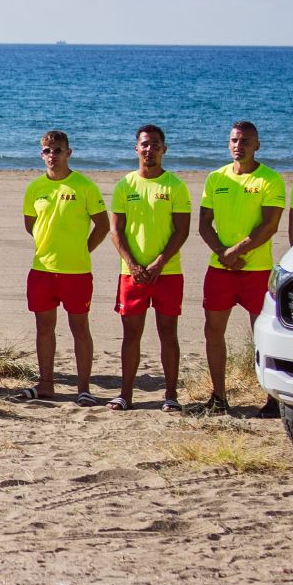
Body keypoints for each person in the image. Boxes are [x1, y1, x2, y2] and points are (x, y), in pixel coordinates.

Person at [197, 121, 284, 416]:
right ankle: (218, 397)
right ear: (228, 143)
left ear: (257, 145)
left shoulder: (270, 179)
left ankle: (272, 398)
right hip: (220, 268)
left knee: (262, 334)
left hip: (256, 269)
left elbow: (270, 226)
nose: (239, 145)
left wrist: (238, 250)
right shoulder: (215, 178)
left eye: (246, 141)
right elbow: (204, 224)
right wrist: (223, 253)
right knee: (213, 331)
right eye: (234, 140)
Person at [16, 129, 108, 405]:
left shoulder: (84, 186)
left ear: (69, 153)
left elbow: (102, 225)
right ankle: (46, 384)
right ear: (41, 154)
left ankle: (83, 388)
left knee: (79, 327)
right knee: (44, 327)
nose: (52, 155)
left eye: (57, 150)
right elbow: (31, 224)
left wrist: (82, 249)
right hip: (42, 269)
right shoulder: (35, 187)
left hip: (76, 271)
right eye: (47, 150)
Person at [108, 124, 192, 412]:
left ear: (163, 149)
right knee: (131, 334)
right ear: (136, 149)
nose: (149, 149)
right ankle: (125, 394)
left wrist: (159, 262)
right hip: (132, 274)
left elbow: (182, 231)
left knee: (168, 333)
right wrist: (133, 264)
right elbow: (116, 232)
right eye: (144, 144)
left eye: (155, 145)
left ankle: (170, 395)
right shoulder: (125, 185)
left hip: (167, 272)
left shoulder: (175, 186)